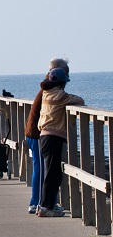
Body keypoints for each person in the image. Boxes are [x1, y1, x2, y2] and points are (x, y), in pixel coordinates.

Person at [37, 67, 84, 217]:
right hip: (52, 137)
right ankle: (45, 207)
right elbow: (79, 101)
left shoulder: (46, 93)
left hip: (44, 136)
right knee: (52, 174)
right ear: (62, 83)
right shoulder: (59, 95)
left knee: (53, 173)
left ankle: (48, 205)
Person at [25, 58, 69, 214]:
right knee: (43, 169)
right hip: (38, 134)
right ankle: (37, 203)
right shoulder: (49, 89)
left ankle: (49, 202)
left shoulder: (47, 86)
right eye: (66, 71)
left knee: (47, 169)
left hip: (40, 133)